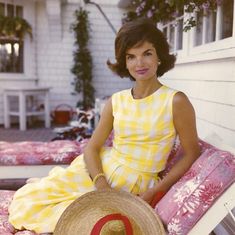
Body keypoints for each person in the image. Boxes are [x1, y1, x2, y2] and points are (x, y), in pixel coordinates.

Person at [9, 18, 200, 233]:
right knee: (31, 200)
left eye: (147, 53)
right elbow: (92, 148)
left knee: (81, 221)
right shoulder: (116, 100)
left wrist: (155, 191)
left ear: (159, 57)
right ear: (125, 63)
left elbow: (192, 152)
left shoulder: (175, 101)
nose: (140, 63)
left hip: (133, 184)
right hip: (100, 172)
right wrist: (101, 185)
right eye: (131, 56)